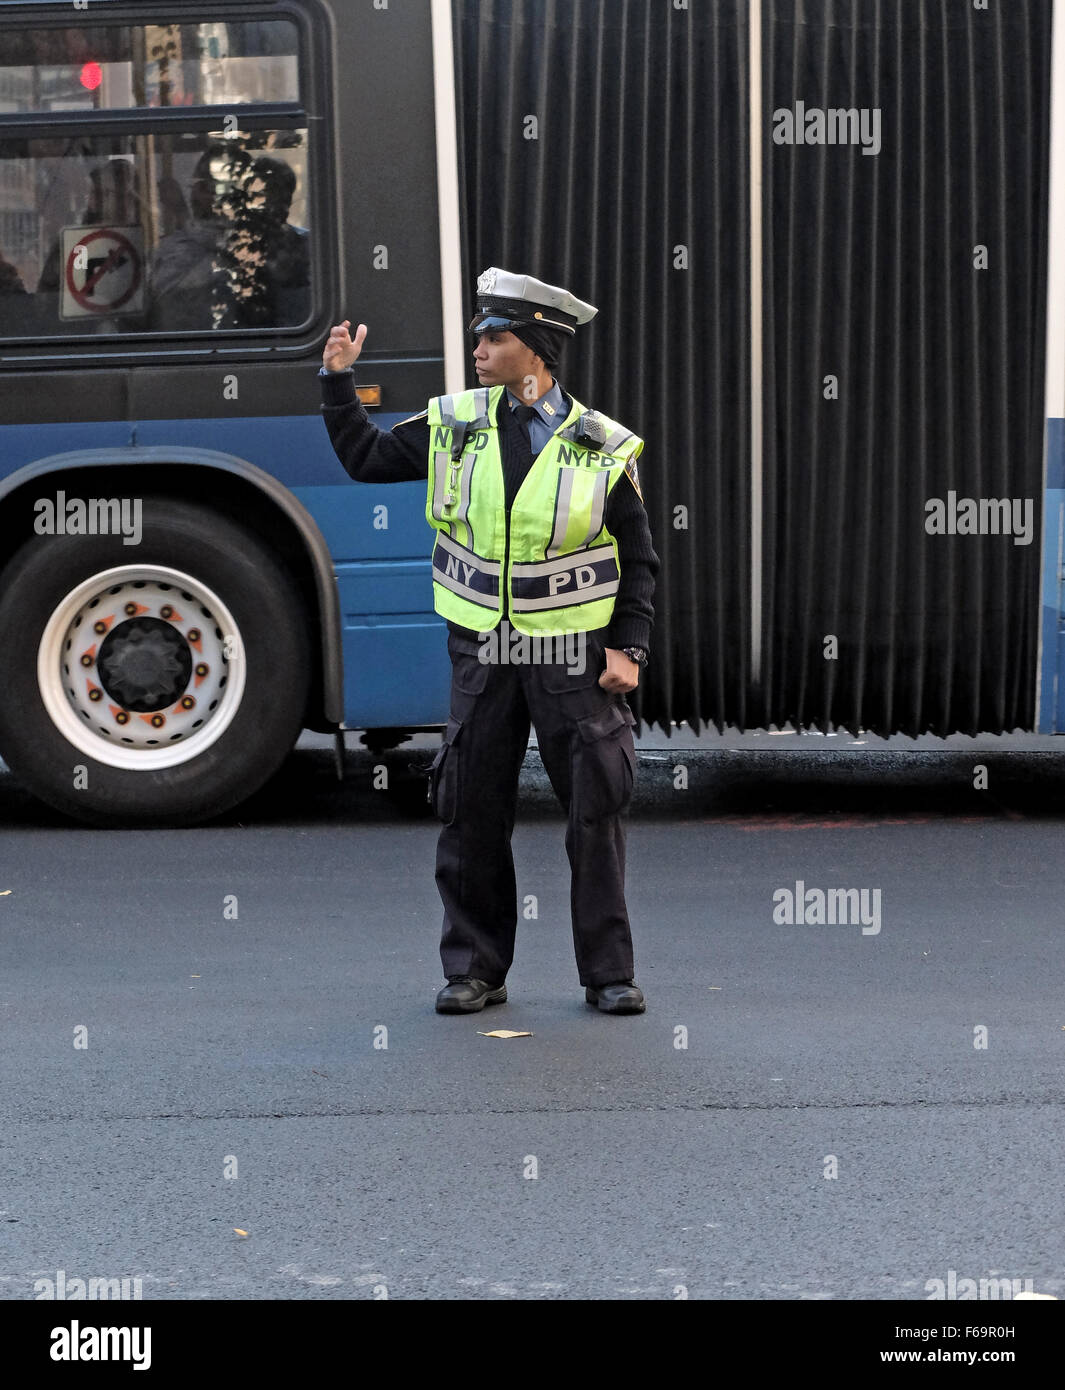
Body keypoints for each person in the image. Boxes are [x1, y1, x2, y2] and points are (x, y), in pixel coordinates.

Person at [320, 267, 659, 1015]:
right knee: (470, 808)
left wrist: (626, 649)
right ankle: (475, 969)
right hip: (483, 651)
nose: (478, 348)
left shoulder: (601, 447)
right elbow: (366, 459)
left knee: (594, 811)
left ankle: (606, 974)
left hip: (572, 654)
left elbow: (637, 561)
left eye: (495, 337)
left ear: (536, 351)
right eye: (478, 335)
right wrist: (337, 383)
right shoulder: (454, 423)